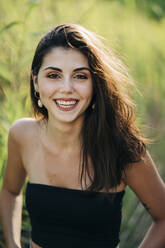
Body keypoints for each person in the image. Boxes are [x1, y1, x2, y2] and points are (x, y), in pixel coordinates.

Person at [0, 23, 165, 248]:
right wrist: (12, 244)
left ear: (96, 84)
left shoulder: (122, 149)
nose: (67, 88)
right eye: (54, 75)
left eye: (80, 76)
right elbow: (10, 192)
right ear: (36, 82)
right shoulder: (22, 135)